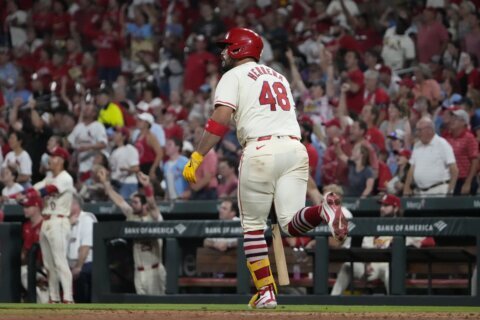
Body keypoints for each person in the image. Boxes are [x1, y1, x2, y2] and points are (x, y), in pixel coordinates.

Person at [182, 27, 348, 309]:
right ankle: (323, 210)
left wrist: (197, 155)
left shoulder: (232, 75)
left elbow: (221, 117)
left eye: (227, 46)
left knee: (253, 228)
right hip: (296, 148)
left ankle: (267, 292)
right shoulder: (278, 76)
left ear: (239, 48)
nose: (223, 51)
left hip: (260, 149)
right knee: (290, 224)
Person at [5, 146, 75, 303]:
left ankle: (68, 298)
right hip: (47, 221)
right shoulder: (49, 177)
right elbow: (30, 190)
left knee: (60, 261)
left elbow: (47, 190)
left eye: (54, 156)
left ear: (62, 160)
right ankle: (54, 297)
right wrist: (11, 197)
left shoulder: (65, 177)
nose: (50, 159)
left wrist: (29, 194)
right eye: (50, 156)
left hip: (59, 220)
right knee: (49, 264)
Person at [331, 194, 435, 295]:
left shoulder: (405, 225)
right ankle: (332, 301)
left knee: (391, 272)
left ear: (395, 208)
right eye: (381, 205)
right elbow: (365, 248)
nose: (382, 208)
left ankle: (396, 306)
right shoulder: (373, 225)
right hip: (372, 266)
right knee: (347, 266)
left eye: (386, 206)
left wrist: (415, 243)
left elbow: (430, 241)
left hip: (391, 265)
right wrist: (365, 263)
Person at [98, 168, 166, 295]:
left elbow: (152, 204)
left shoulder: (154, 217)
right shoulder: (132, 215)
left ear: (144, 205)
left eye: (135, 202)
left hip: (154, 270)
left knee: (159, 309)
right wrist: (105, 183)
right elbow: (119, 201)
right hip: (139, 272)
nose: (132, 204)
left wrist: (147, 186)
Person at [404, 117, 458, 197]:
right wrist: (406, 187)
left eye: (419, 130)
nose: (417, 133)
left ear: (429, 130)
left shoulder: (442, 144)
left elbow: (454, 170)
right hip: (420, 192)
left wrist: (450, 191)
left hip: (439, 191)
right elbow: (412, 168)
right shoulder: (417, 145)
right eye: (417, 130)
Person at [68, 194, 97, 303]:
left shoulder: (87, 219)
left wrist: (78, 267)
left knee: (82, 275)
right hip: (70, 265)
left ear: (75, 205)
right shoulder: (66, 221)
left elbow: (85, 246)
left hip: (85, 264)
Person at [20, 195, 48, 304]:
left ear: (37, 207)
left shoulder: (46, 224)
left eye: (28, 207)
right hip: (31, 267)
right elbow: (25, 251)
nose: (25, 209)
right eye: (24, 207)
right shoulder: (26, 226)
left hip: (46, 266)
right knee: (23, 272)